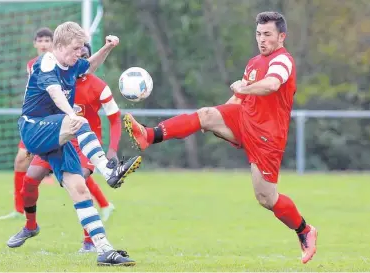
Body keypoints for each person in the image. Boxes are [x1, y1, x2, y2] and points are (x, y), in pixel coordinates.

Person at [123, 12, 317, 264]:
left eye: (267, 34)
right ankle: (148, 135)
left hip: (268, 136)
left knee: (266, 198)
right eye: (258, 34)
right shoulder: (253, 62)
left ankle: (304, 230)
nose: (262, 39)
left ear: (282, 36)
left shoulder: (283, 60)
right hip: (245, 118)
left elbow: (271, 85)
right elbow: (239, 99)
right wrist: (218, 117)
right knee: (204, 114)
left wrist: (242, 89)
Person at [7, 21, 139, 266]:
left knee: (80, 189)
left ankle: (104, 249)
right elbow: (56, 94)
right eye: (77, 48)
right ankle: (108, 169)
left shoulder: (72, 63)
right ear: (60, 45)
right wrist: (72, 115)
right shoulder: (46, 63)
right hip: (34, 128)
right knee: (77, 122)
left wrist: (107, 48)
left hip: (57, 134)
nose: (80, 53)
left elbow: (89, 65)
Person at [17, 43, 122, 253]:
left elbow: (115, 118)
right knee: (29, 179)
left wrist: (112, 149)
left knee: (79, 184)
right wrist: (35, 141)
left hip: (85, 144)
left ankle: (92, 242)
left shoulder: (99, 87)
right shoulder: (61, 77)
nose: (78, 58)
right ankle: (30, 226)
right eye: (76, 53)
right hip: (59, 137)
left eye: (82, 56)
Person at [0, 27, 55, 220]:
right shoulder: (32, 64)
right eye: (41, 40)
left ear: (53, 43)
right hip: (36, 119)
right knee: (21, 159)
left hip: (55, 118)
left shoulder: (59, 63)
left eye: (48, 40)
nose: (44, 44)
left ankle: (103, 204)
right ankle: (18, 209)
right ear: (35, 44)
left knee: (76, 170)